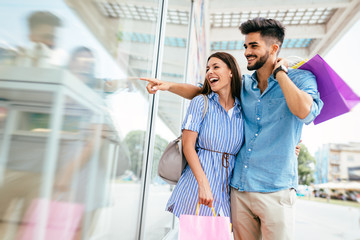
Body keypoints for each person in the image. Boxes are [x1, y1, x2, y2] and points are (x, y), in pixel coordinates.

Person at [141, 17, 323, 240]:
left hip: (276, 189)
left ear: (274, 48)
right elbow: (201, 91)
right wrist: (167, 86)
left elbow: (304, 111)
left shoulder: (302, 79)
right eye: (246, 46)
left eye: (254, 46)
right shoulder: (244, 85)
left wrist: (281, 73)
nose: (247, 51)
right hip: (239, 189)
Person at [166, 52, 243, 218]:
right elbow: (188, 146)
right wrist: (203, 183)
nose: (210, 72)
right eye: (208, 68)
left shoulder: (243, 110)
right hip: (197, 186)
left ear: (231, 72)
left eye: (216, 67)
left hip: (226, 192)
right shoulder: (201, 102)